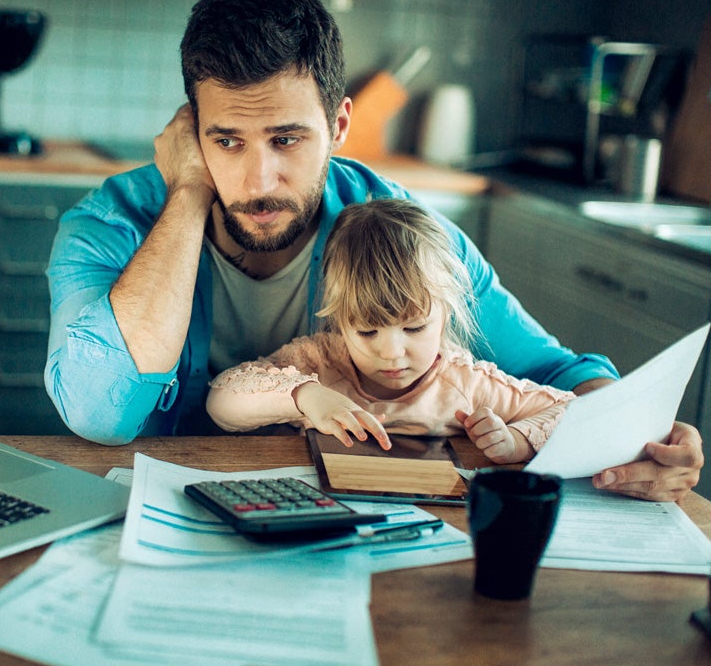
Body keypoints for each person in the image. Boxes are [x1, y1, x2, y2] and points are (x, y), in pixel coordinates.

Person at [45, 0, 703, 501]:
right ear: (191, 132)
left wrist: (636, 437)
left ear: (338, 125)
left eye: (287, 139)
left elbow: (555, 372)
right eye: (226, 141)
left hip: (339, 518)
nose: (257, 180)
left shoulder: (393, 227)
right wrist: (187, 195)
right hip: (156, 513)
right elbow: (98, 412)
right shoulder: (113, 223)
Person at [207, 198, 575, 465]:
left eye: (414, 327)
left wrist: (516, 441)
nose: (392, 353)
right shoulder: (319, 362)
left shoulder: (466, 383)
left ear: (445, 314)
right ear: (340, 319)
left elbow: (571, 410)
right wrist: (305, 396)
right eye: (367, 332)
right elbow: (221, 402)